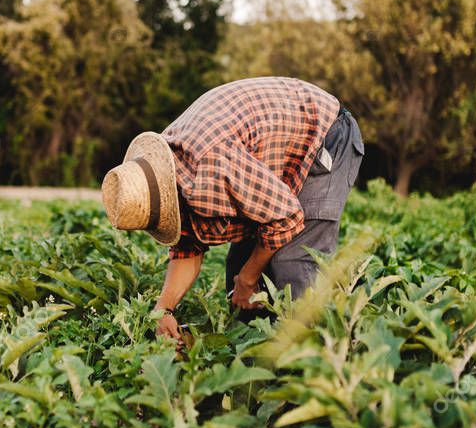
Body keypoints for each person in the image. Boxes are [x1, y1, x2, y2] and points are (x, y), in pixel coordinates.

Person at [101, 76, 364, 342]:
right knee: (239, 265)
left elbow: (286, 217)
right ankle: (254, 359)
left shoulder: (209, 165)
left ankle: (311, 362)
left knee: (293, 264)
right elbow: (187, 247)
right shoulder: (174, 169)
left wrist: (249, 278)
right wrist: (163, 310)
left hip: (325, 135)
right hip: (269, 157)